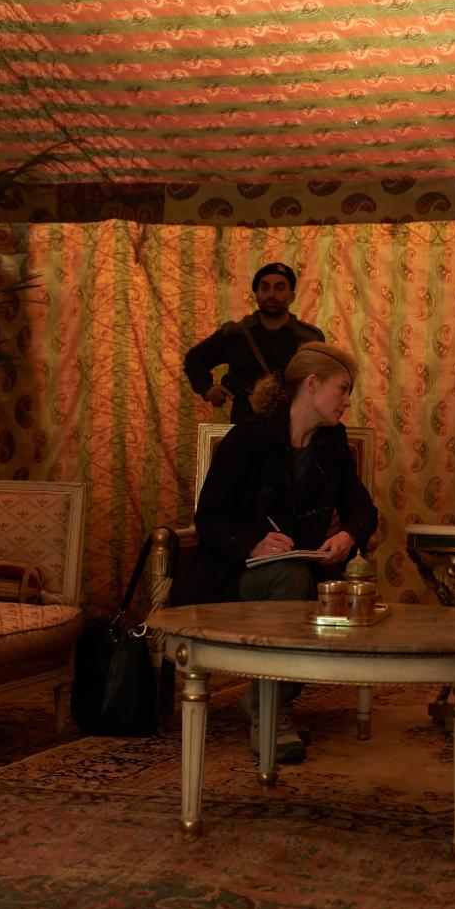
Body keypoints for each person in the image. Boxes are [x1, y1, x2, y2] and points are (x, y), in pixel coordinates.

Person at [182, 341, 379, 762]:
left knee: (309, 584)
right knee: (293, 580)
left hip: (303, 576)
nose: (347, 401)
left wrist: (348, 536)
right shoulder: (247, 438)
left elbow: (363, 510)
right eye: (343, 389)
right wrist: (252, 543)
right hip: (232, 578)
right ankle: (271, 715)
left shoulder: (332, 442)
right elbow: (209, 518)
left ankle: (263, 701)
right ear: (312, 384)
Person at [184, 262, 326, 424]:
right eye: (264, 288)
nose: (271, 294)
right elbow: (194, 360)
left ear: (292, 296)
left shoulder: (309, 339)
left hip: (295, 425)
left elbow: (324, 380)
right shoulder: (236, 334)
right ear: (256, 295)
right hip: (245, 424)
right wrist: (207, 389)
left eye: (279, 288)